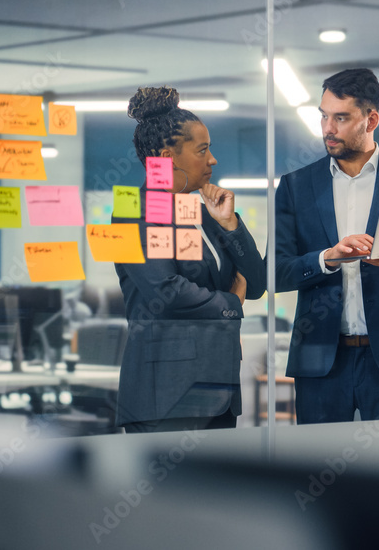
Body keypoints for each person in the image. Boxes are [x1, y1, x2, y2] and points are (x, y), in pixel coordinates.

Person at [274, 68, 379, 424]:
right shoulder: (296, 186)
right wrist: (328, 258)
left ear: (371, 119)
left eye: (341, 118)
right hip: (320, 359)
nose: (328, 129)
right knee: (316, 471)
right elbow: (275, 272)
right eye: (323, 116)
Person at [113, 86, 265, 433]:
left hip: (218, 389)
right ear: (167, 158)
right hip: (165, 395)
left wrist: (231, 225)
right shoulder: (132, 209)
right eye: (203, 150)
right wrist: (230, 301)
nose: (212, 160)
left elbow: (255, 284)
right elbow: (164, 290)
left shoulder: (200, 211)